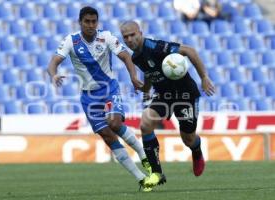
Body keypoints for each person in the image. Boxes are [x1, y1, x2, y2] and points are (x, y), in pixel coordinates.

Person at [47, 7, 155, 192]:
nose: (90, 25)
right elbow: (53, 62)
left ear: (97, 22)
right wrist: (54, 75)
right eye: (87, 21)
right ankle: (140, 178)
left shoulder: (106, 37)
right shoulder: (71, 41)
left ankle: (142, 153)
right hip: (88, 96)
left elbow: (126, 56)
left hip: (109, 89)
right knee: (107, 135)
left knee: (114, 122)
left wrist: (132, 76)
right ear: (80, 22)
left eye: (93, 21)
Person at [120, 21, 215, 187]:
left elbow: (189, 50)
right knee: (145, 123)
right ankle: (157, 172)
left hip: (186, 95)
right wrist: (146, 90)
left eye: (132, 35)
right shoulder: (136, 57)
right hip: (164, 96)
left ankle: (197, 151)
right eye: (125, 37)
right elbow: (150, 71)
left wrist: (204, 77)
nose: (129, 39)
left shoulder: (156, 47)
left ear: (140, 33)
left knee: (188, 138)